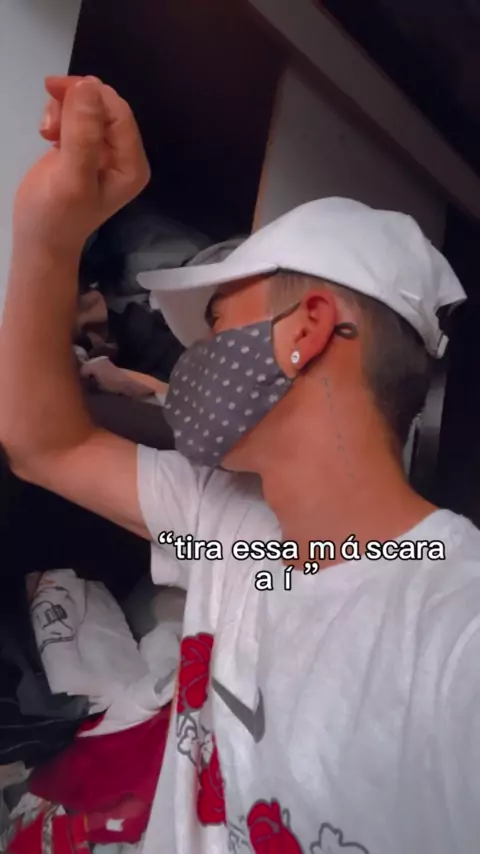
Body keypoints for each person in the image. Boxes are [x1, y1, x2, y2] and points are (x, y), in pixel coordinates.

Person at [0, 75, 478, 854]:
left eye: (216, 328)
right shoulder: (223, 525)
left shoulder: (454, 633)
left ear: (308, 330)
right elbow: (45, 444)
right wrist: (49, 230)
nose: (192, 363)